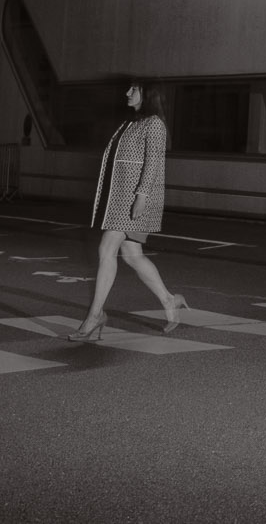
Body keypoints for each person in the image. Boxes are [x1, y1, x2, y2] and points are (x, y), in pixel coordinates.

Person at [70, 81, 188, 340]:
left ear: (147, 95)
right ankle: (170, 300)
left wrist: (142, 196)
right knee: (132, 255)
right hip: (120, 198)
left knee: (106, 248)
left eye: (133, 90)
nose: (127, 93)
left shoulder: (154, 123)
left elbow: (154, 162)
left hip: (135, 198)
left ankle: (95, 316)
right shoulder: (130, 123)